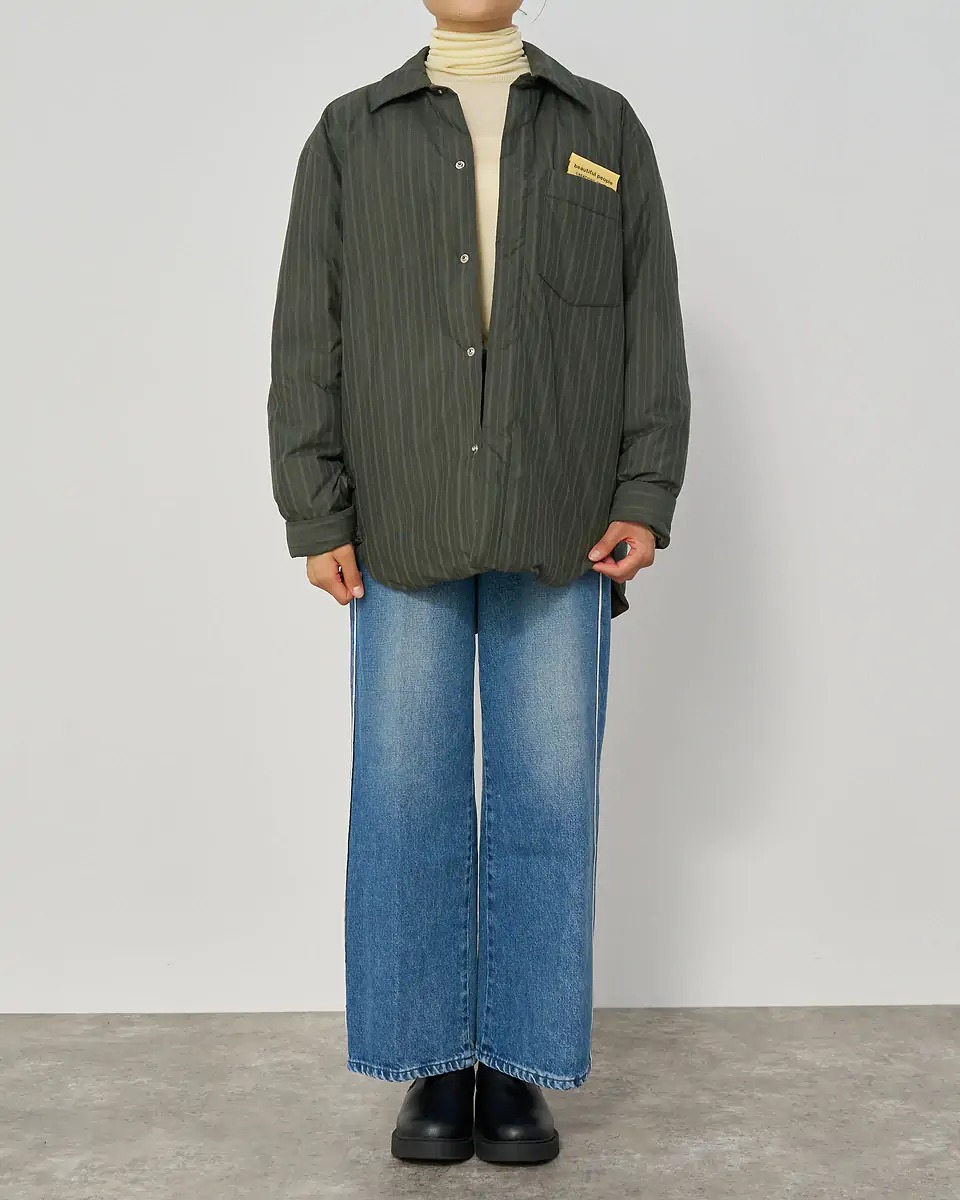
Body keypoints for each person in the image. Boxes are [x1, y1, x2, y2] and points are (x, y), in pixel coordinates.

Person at [266, 0, 690, 1166]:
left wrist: (645, 490)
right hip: (401, 513)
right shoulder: (352, 133)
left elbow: (650, 323)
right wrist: (315, 506)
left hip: (563, 516)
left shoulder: (604, 127)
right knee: (407, 793)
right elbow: (307, 331)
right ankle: (429, 1064)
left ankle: (520, 1065)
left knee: (548, 797)